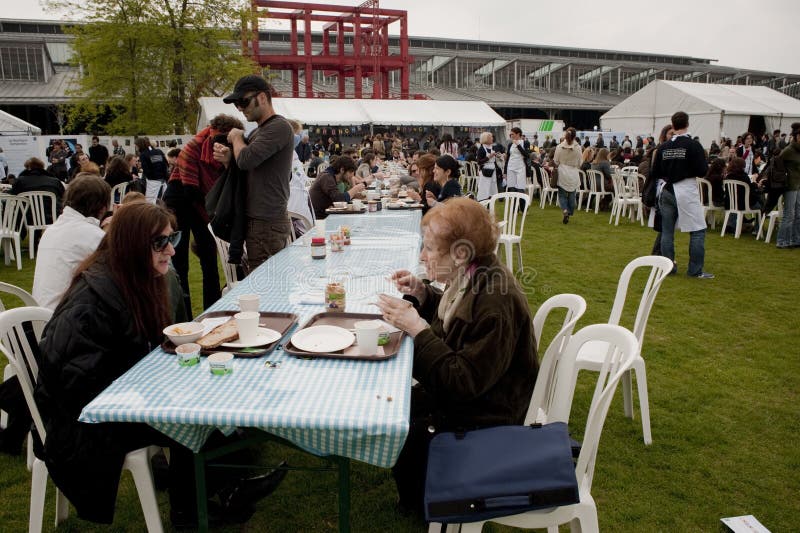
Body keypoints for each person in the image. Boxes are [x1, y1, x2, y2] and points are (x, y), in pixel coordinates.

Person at [34, 202, 285, 527]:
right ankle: (195, 509)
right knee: (190, 415)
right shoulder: (90, 304)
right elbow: (76, 387)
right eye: (160, 242)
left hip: (115, 400)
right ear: (131, 246)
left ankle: (221, 489)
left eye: (172, 238)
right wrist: (149, 386)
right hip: (84, 425)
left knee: (209, 396)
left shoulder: (132, 278)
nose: (171, 250)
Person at [375, 197, 538, 516]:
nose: (422, 256)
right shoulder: (475, 276)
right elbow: (457, 322)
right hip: (482, 397)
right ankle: (417, 494)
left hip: (488, 417)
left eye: (429, 249)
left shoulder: (494, 301)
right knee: (394, 402)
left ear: (460, 254)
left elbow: (460, 382)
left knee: (402, 418)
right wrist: (423, 294)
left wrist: (417, 329)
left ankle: (424, 504)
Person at [163, 114, 244, 312]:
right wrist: (213, 212)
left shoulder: (233, 147)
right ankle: (185, 315)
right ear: (212, 134)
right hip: (180, 199)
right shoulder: (193, 148)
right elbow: (190, 190)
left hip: (205, 200)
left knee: (209, 259)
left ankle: (213, 312)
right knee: (179, 262)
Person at [217, 75, 294, 271]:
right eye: (237, 104)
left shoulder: (278, 127)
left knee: (266, 283)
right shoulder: (259, 131)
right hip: (261, 221)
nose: (240, 108)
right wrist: (229, 159)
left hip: (266, 223)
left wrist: (236, 137)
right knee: (266, 281)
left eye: (243, 101)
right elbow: (251, 169)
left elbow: (246, 160)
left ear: (262, 97)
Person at [32, 173, 110, 311]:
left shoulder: (51, 230)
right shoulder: (93, 235)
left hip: (38, 312)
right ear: (103, 208)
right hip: (63, 315)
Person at [650, 111, 712, 278]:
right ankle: (695, 270)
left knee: (667, 231)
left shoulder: (664, 147)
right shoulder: (693, 145)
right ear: (687, 124)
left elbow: (655, 171)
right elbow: (702, 170)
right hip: (686, 189)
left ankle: (668, 267)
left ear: (673, 124)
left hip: (667, 189)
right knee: (697, 230)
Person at [11, 156, 64, 222]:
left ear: (28, 168)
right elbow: (64, 197)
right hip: (52, 218)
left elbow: (13, 196)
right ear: (42, 167)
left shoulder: (20, 181)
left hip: (27, 219)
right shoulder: (55, 181)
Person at [776, 123, 800, 248]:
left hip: (798, 185)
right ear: (796, 136)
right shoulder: (789, 150)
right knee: (789, 214)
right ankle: (782, 241)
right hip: (790, 185)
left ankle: (795, 239)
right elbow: (777, 164)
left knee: (798, 214)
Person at [553, 127, 582, 224]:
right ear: (575, 136)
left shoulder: (559, 147)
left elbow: (556, 161)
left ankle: (565, 210)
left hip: (562, 172)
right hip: (573, 172)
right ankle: (570, 211)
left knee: (562, 195)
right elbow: (580, 162)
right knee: (572, 193)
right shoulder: (578, 148)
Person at [135, 137, 169, 203]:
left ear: (139, 145)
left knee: (150, 202)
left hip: (153, 181)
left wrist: (150, 177)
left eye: (136, 146)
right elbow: (165, 164)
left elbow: (146, 169)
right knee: (163, 201)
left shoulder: (143, 154)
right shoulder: (159, 151)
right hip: (163, 180)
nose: (136, 148)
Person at [504, 127, 529, 196]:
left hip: (521, 167)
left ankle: (522, 203)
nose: (511, 136)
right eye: (510, 134)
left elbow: (527, 155)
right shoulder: (510, 144)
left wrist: (518, 145)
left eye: (512, 134)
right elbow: (508, 158)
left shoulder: (525, 143)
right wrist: (505, 171)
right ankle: (514, 202)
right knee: (512, 187)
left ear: (518, 134)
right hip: (510, 167)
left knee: (520, 187)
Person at [476, 131, 499, 201]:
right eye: (491, 137)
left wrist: (499, 156)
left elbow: (494, 160)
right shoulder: (481, 149)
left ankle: (491, 202)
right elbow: (479, 162)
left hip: (493, 170)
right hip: (485, 171)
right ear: (486, 139)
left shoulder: (493, 147)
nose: (492, 138)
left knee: (492, 187)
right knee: (484, 188)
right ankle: (483, 202)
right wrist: (489, 157)